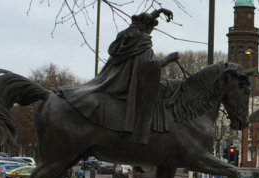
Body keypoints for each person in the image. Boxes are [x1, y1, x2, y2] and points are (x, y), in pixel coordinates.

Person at [59, 8, 179, 145]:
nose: (151, 32)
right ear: (147, 27)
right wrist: (168, 59)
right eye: (151, 28)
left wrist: (159, 11)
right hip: (127, 83)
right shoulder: (143, 40)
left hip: (111, 79)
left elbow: (142, 22)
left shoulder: (126, 35)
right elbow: (148, 64)